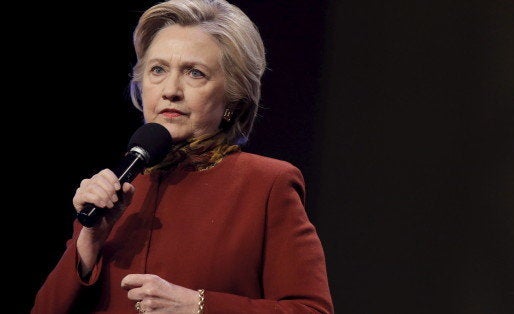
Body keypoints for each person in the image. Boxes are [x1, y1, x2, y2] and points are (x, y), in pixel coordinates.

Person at [31, 0, 333, 312]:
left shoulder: (266, 185)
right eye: (158, 70)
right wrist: (88, 245)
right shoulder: (114, 188)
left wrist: (198, 305)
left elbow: (312, 310)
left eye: (195, 73)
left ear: (232, 98)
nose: (170, 90)